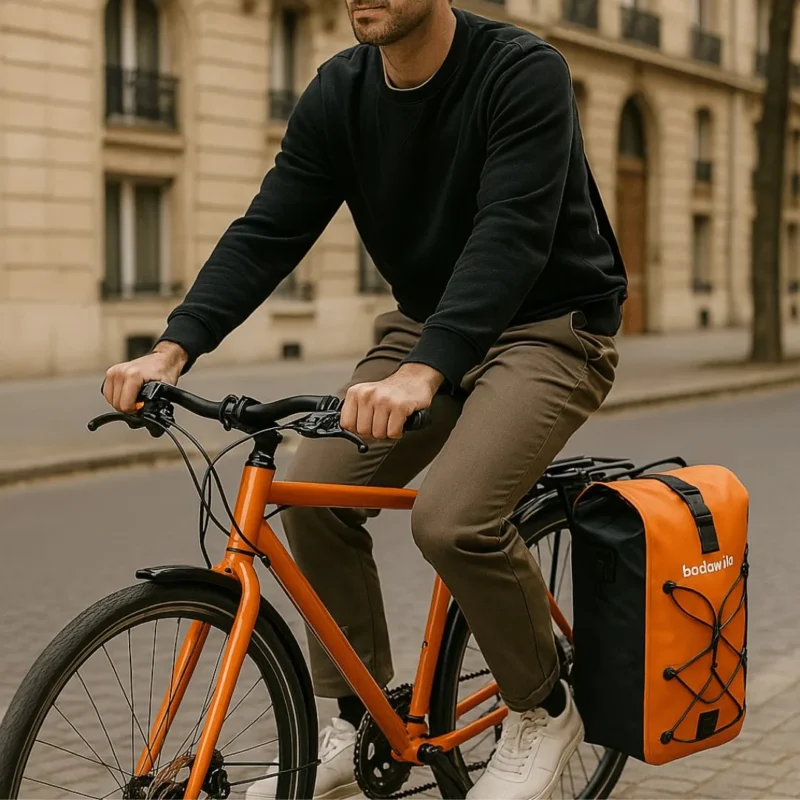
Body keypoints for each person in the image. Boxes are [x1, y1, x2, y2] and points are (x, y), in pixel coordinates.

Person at [103, 0, 627, 795]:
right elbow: (268, 230)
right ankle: (361, 711)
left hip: (550, 327)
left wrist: (427, 371)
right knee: (312, 494)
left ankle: (543, 706)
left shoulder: (523, 72)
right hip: (424, 327)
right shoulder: (338, 94)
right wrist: (175, 346)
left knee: (452, 519)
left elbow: (511, 230)